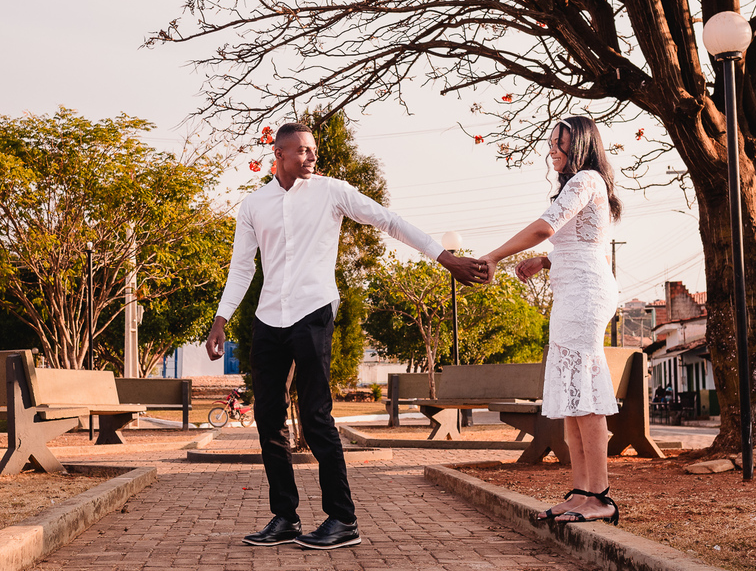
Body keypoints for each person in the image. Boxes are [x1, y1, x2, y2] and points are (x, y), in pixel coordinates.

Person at [205, 122, 488, 550]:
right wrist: (221, 319)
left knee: (316, 416)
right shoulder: (254, 205)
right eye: (301, 150)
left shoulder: (332, 191)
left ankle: (343, 519)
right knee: (267, 418)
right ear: (278, 154)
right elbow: (242, 267)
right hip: (267, 319)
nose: (311, 156)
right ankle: (284, 517)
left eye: (313, 150)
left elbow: (389, 222)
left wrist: (445, 258)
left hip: (313, 310)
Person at [479, 115, 623, 524]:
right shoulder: (581, 185)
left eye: (561, 143)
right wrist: (546, 261)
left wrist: (493, 256)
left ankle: (601, 496)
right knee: (572, 397)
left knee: (586, 395)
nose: (553, 150)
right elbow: (580, 240)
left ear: (581, 146)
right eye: (552, 142)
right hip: (572, 292)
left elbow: (546, 227)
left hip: (586, 296)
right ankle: (581, 492)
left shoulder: (585, 180)